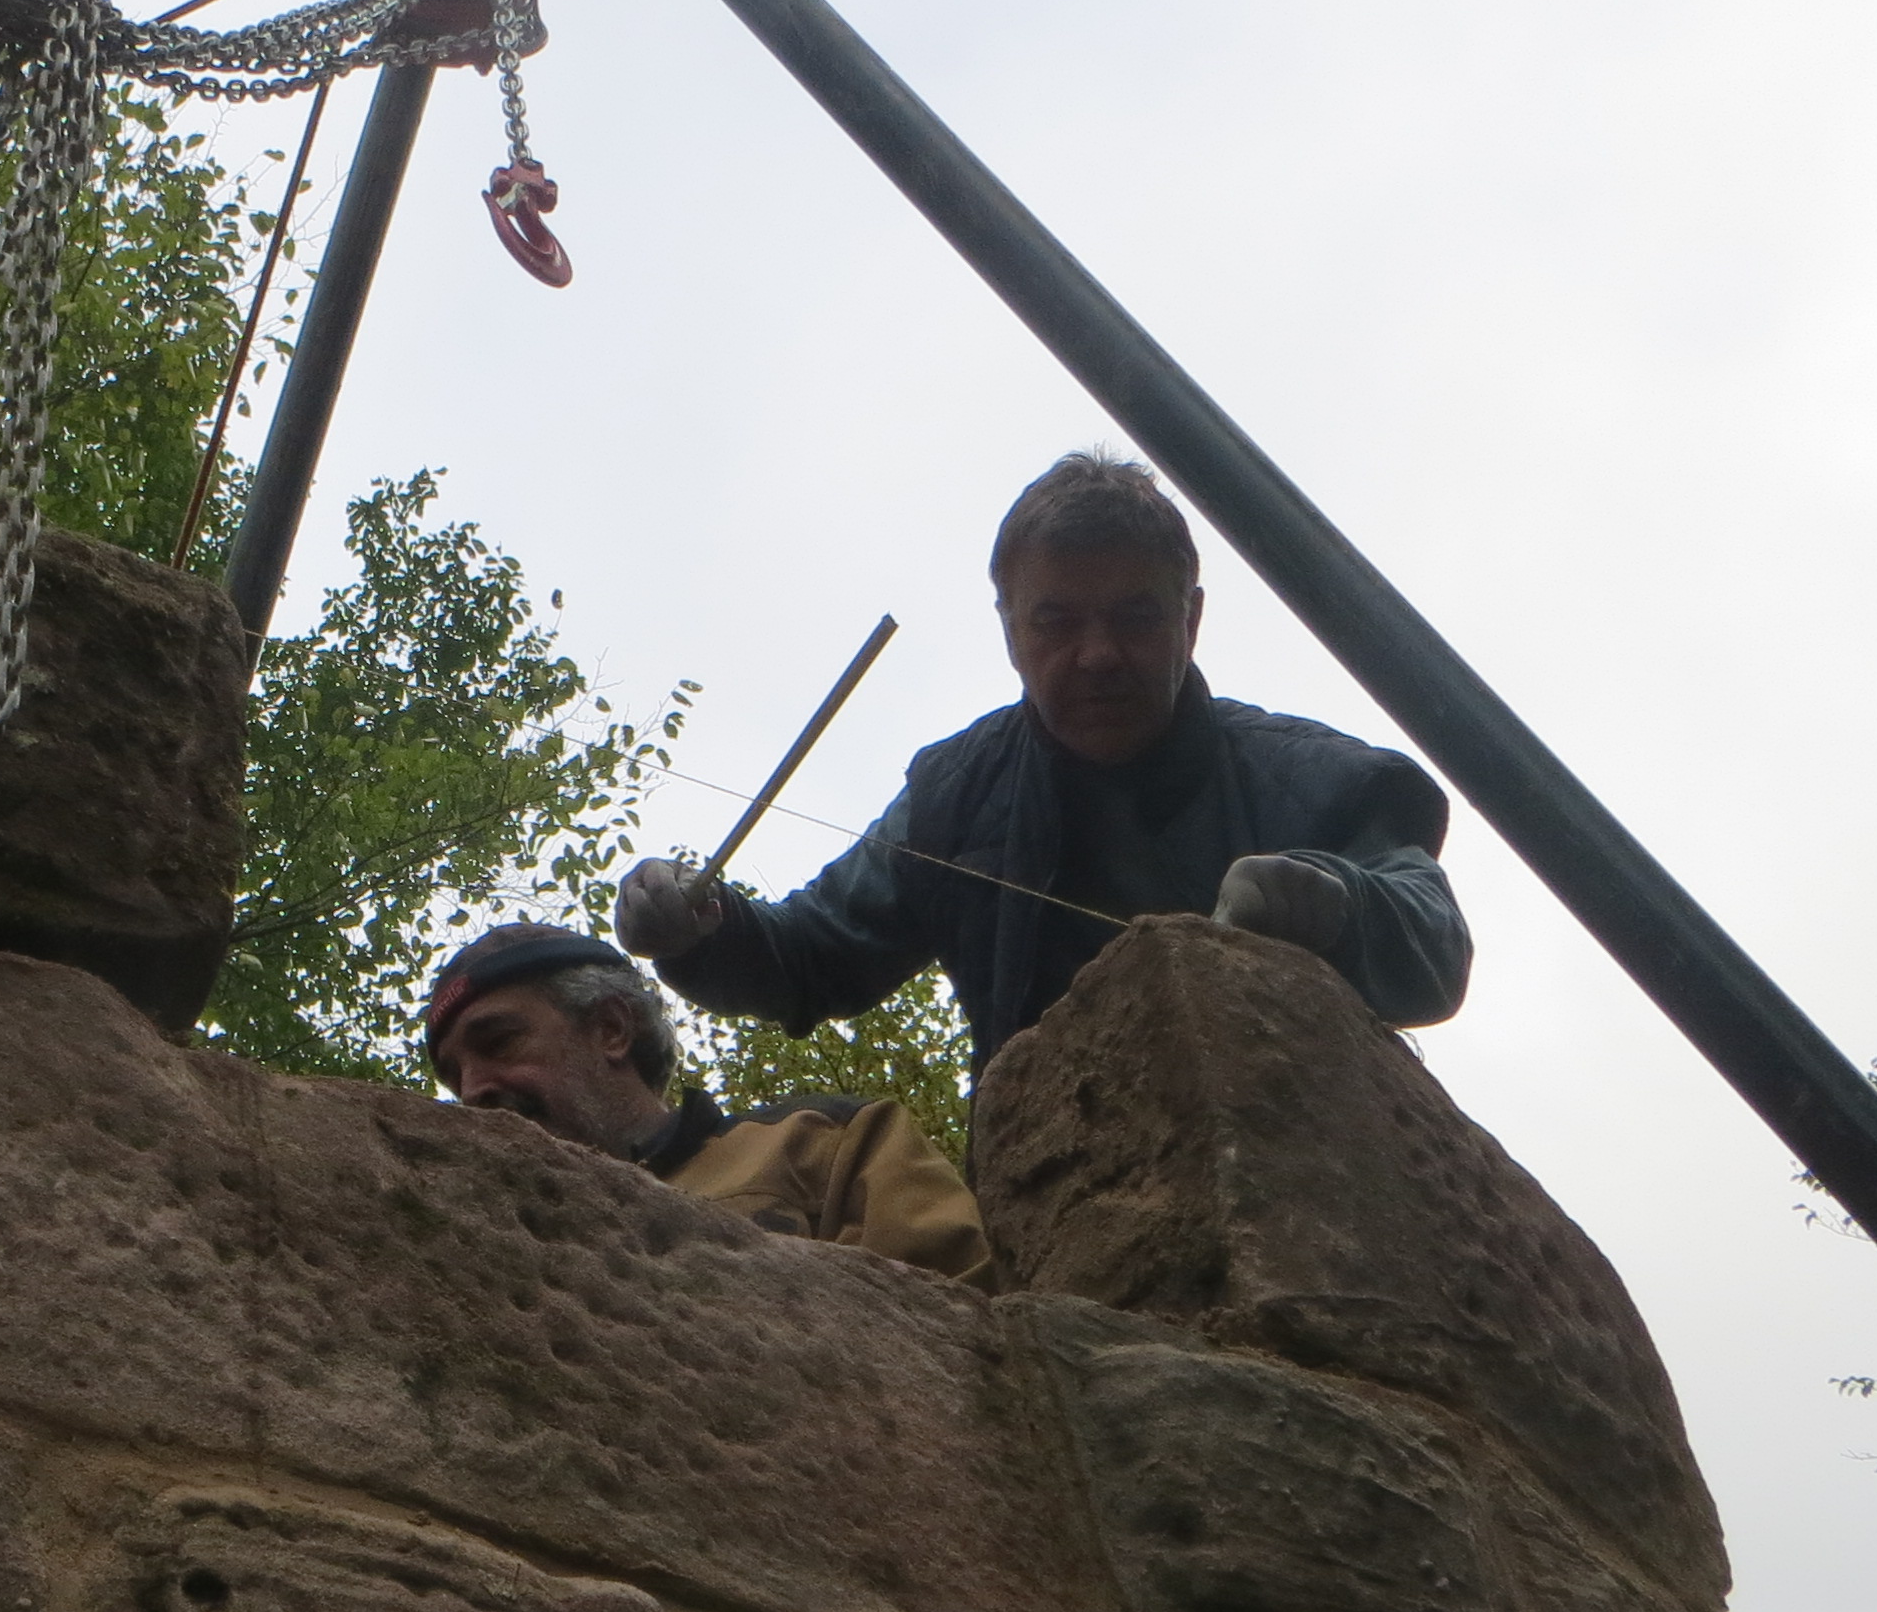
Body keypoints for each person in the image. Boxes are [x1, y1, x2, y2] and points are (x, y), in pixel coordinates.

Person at [618, 451, 1469, 1074]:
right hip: (1051, 1205)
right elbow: (812, 954)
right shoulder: (956, 796)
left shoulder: (1312, 778)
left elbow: (1433, 945)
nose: (1097, 655)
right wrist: (703, 929)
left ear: (1191, 620)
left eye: (1136, 618)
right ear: (1009, 631)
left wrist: (1329, 904)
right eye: (1056, 623)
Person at [421, 921, 990, 1278]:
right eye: (453, 1077)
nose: (473, 1090)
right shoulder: (490, 1254)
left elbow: (961, 1326)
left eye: (498, 1042)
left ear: (611, 1030)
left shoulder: (827, 1142)